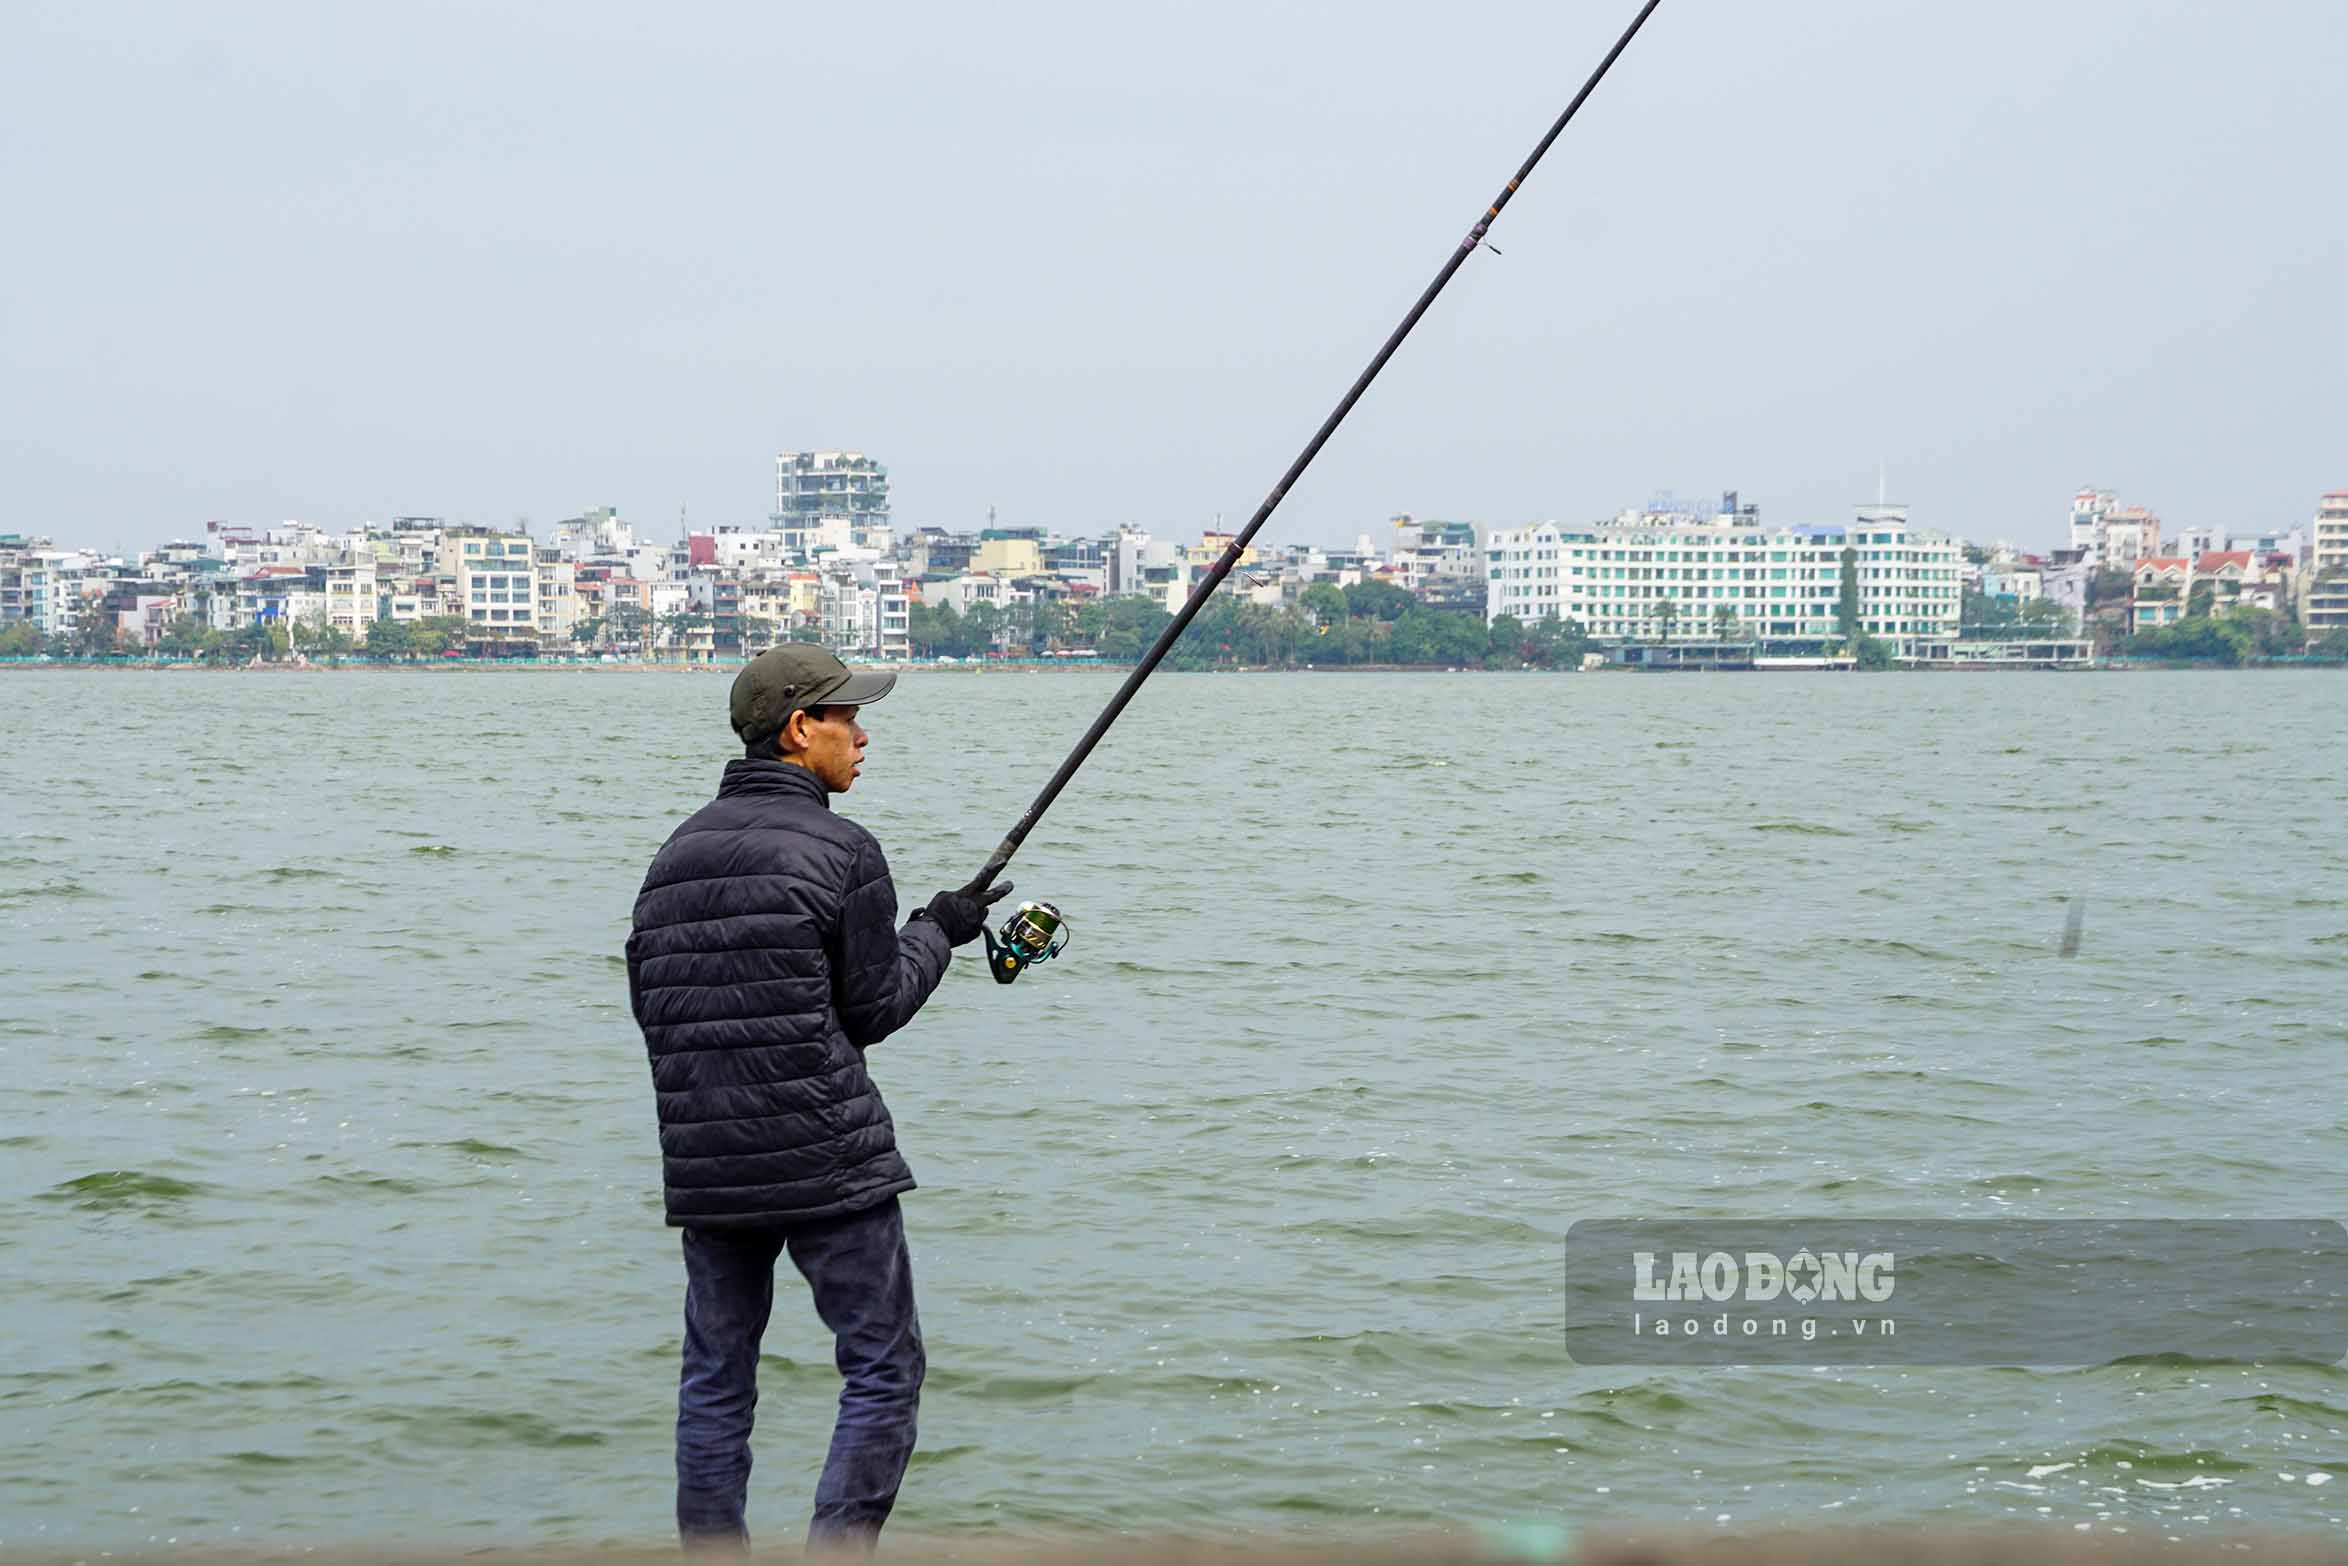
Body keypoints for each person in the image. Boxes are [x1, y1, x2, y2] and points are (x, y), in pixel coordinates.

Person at [625, 643, 1010, 1551]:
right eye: (846, 719)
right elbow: (872, 1009)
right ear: (801, 730)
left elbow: (653, 1006)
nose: (862, 735)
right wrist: (938, 931)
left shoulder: (673, 854)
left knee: (717, 1380)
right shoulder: (843, 849)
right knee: (882, 1369)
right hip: (827, 1157)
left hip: (709, 1163)